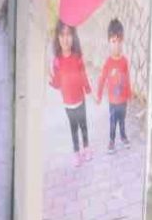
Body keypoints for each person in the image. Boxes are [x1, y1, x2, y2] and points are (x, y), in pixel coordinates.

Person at [50, 20, 92, 166]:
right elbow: (57, 83)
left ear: (74, 36)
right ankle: (76, 153)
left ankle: (86, 148)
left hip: (80, 100)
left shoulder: (77, 57)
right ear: (58, 37)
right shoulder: (57, 61)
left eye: (68, 34)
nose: (65, 39)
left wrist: (87, 88)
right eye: (62, 35)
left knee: (83, 125)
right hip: (68, 103)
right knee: (73, 128)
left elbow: (83, 74)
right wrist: (51, 79)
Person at [96, 18, 132, 153]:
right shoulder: (108, 62)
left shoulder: (124, 61)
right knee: (112, 122)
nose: (116, 45)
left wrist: (129, 94)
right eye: (113, 41)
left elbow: (127, 78)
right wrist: (99, 96)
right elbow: (101, 79)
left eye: (119, 41)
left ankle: (123, 136)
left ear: (122, 41)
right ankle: (111, 141)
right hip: (112, 101)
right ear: (109, 42)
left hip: (123, 101)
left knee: (122, 121)